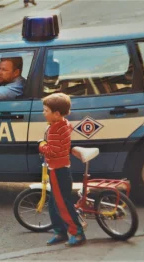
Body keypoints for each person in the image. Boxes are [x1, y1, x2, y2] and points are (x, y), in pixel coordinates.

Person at [38, 93, 86, 247]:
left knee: (62, 204)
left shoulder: (54, 129)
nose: (43, 113)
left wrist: (41, 146)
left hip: (58, 170)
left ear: (56, 114)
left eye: (46, 110)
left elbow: (54, 151)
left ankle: (77, 233)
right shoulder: (62, 124)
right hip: (61, 169)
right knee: (54, 203)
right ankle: (59, 231)